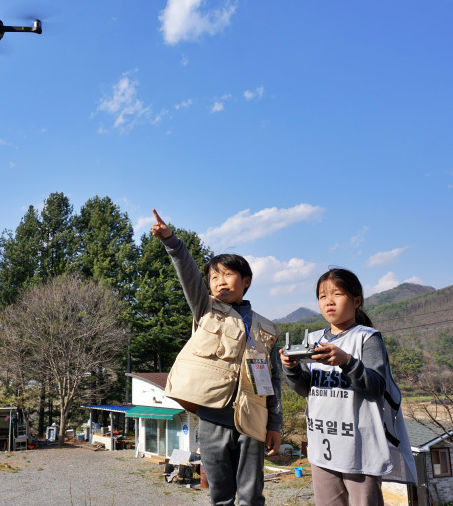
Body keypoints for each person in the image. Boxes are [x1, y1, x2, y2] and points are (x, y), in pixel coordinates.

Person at [151, 209, 282, 506]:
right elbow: (188, 274)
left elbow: (273, 382)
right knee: (220, 497)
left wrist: (274, 425)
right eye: (214, 276)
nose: (220, 281)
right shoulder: (205, 309)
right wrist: (172, 242)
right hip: (211, 420)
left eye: (228, 274)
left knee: (251, 497)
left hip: (253, 421)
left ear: (246, 281)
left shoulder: (267, 329)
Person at [280, 268, 415, 506]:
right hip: (322, 446)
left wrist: (347, 361)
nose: (329, 301)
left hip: (360, 449)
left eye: (337, 294)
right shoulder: (312, 339)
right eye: (322, 296)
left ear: (356, 301)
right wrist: (291, 369)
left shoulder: (367, 338)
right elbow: (305, 389)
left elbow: (376, 387)